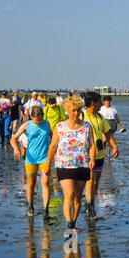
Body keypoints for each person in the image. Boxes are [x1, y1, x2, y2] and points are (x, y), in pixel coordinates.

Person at [43, 96, 95, 230]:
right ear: (67, 110)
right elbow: (53, 146)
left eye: (78, 110)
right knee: (69, 194)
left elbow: (93, 145)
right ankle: (69, 225)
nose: (76, 113)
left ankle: (74, 223)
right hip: (64, 165)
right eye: (73, 110)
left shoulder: (87, 126)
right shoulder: (59, 127)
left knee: (78, 197)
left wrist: (92, 159)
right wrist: (48, 163)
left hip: (82, 164)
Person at [82, 92, 119, 219]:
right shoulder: (82, 116)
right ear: (93, 103)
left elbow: (108, 133)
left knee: (96, 183)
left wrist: (114, 146)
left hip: (99, 154)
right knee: (90, 182)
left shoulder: (100, 117)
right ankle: (90, 206)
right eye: (99, 102)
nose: (102, 104)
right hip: (86, 155)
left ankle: (89, 204)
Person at [10, 106, 52, 219]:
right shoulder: (26, 125)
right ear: (31, 117)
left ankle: (46, 209)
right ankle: (31, 207)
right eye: (36, 120)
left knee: (46, 182)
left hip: (44, 158)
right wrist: (16, 148)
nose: (38, 122)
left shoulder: (46, 123)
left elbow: (53, 138)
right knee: (31, 184)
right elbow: (13, 138)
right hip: (31, 159)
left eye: (40, 119)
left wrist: (55, 151)